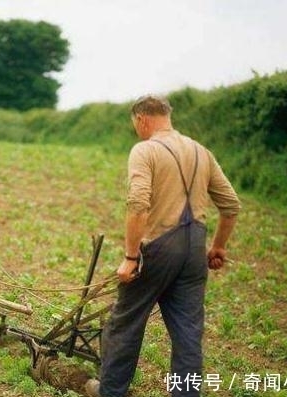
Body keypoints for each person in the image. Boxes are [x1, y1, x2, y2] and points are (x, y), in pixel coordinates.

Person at [85, 95, 241, 397]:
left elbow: (138, 203)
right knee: (188, 334)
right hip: (195, 250)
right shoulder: (201, 152)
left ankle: (111, 392)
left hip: (158, 249)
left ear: (141, 119)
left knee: (125, 323)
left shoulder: (145, 150)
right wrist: (218, 247)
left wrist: (131, 256)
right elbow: (231, 205)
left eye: (135, 125)